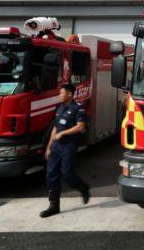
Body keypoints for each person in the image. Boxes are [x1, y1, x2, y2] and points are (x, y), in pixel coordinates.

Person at [40, 83, 91, 218]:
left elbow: (80, 126)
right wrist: (49, 146)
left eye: (61, 93)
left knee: (67, 174)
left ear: (69, 94)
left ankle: (82, 187)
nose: (59, 95)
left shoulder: (78, 108)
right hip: (56, 146)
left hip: (69, 146)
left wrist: (64, 134)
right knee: (51, 174)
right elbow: (55, 129)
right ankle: (53, 206)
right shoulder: (59, 108)